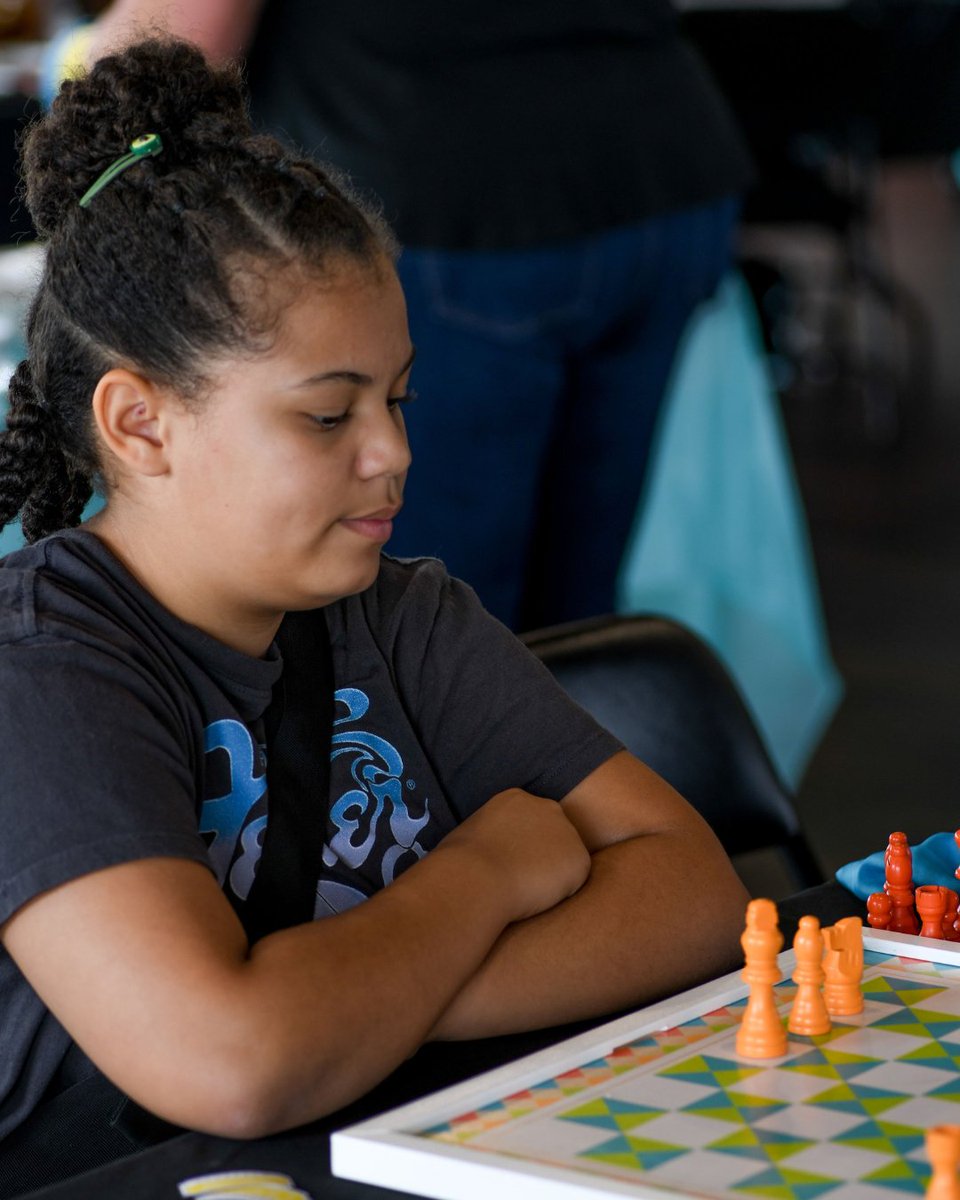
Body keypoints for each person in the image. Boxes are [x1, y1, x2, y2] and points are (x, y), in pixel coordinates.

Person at [0, 40, 748, 1192]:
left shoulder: (401, 614)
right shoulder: (41, 667)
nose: (392, 452)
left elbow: (695, 895)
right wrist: (485, 876)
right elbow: (233, 1065)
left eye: (398, 399)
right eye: (326, 416)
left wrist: (342, 1013)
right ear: (140, 424)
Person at [74, 0, 753, 631]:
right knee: (570, 617)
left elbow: (172, 53)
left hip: (448, 196)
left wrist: (68, 69)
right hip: (654, 166)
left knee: (422, 623)